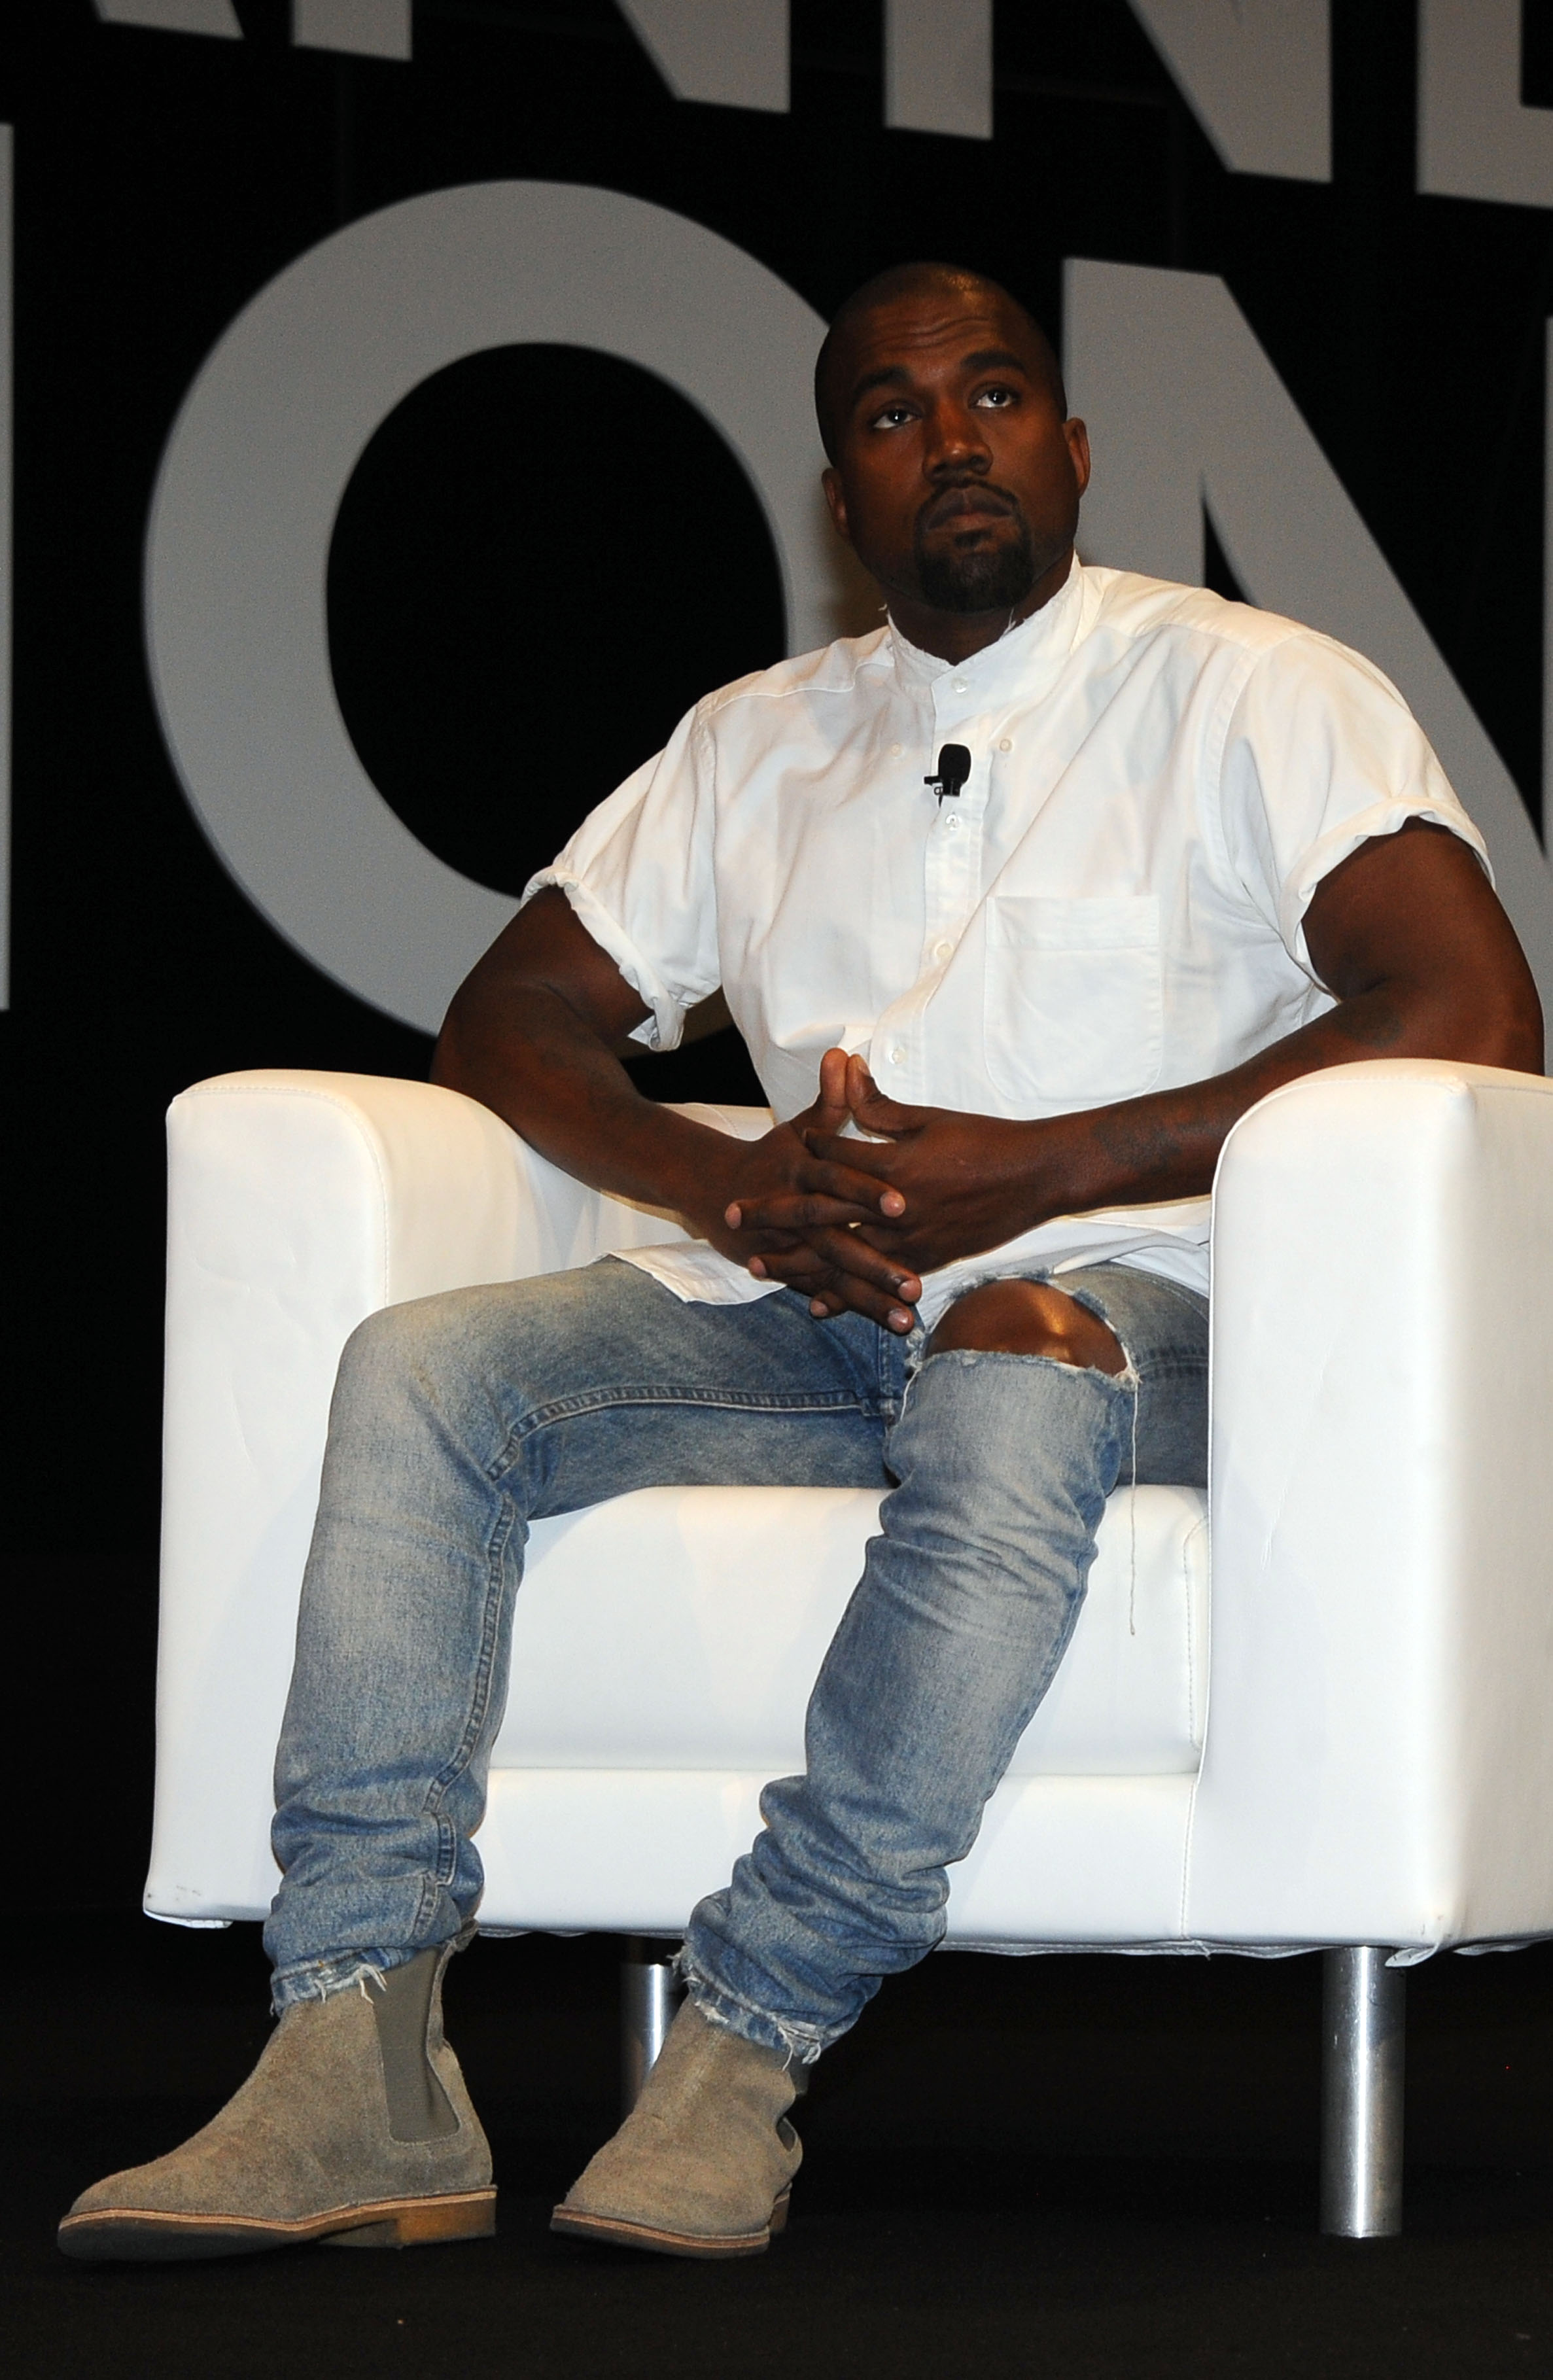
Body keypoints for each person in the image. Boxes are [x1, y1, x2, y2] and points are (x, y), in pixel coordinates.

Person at [61, 261, 1541, 2265]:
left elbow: (1467, 1005)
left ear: (1077, 447)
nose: (955, 442)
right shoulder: (755, 742)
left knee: (1024, 1339)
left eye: (998, 395)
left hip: (1156, 1317)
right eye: (894, 415)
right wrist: (719, 1184)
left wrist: (1045, 1168)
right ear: (840, 496)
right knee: (423, 1365)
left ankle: (746, 2042)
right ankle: (357, 2062)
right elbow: (509, 1025)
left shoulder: (1255, 690)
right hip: (817, 1320)